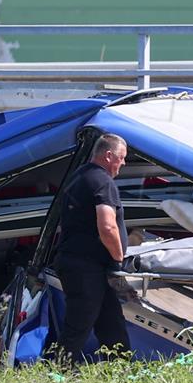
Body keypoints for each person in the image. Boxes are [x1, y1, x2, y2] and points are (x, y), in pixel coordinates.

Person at [54, 133, 131, 363]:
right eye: (122, 157)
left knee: (111, 323)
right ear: (109, 156)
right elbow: (107, 226)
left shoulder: (78, 176)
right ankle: (55, 374)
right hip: (87, 267)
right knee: (78, 327)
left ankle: (118, 371)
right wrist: (119, 258)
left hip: (83, 265)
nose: (124, 163)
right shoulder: (103, 181)